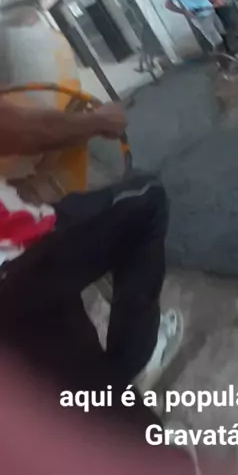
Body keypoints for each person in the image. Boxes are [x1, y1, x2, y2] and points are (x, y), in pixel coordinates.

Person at [0, 97, 183, 429]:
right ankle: (137, 362)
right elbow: (14, 128)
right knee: (148, 202)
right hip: (21, 260)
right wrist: (97, 122)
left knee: (88, 394)